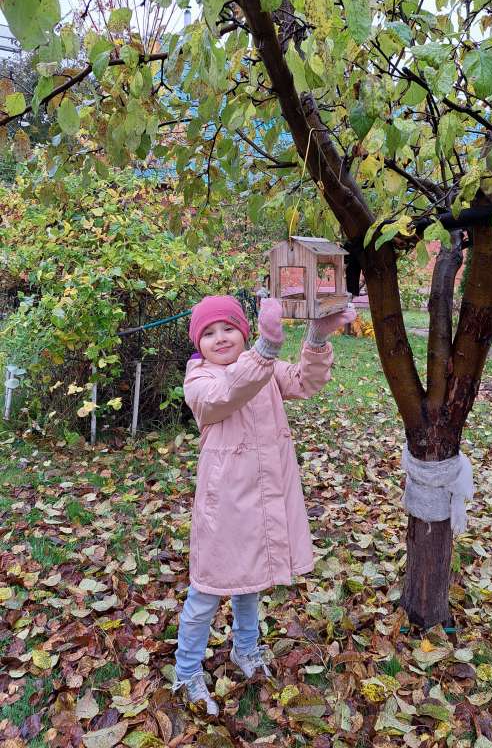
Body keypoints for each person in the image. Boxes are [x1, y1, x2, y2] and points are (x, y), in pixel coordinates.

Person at [171, 294, 356, 717]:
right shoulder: (200, 378)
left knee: (250, 581)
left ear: (245, 331)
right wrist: (265, 352)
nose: (220, 338)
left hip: (261, 497)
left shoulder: (265, 369)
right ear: (198, 344)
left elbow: (305, 382)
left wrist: (316, 338)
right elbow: (226, 394)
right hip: (225, 504)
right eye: (209, 333)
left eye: (228, 328)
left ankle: (246, 648)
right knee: (207, 588)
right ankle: (185, 671)